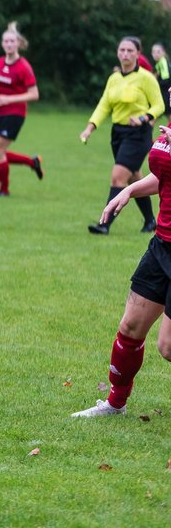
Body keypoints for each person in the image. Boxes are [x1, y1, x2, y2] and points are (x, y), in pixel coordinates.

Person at [72, 126, 171, 417]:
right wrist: (128, 190)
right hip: (162, 246)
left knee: (167, 346)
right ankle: (115, 404)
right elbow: (162, 177)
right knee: (130, 328)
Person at [80, 36, 165, 234]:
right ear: (117, 52)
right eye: (122, 50)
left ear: (138, 54)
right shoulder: (114, 78)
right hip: (117, 133)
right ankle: (150, 221)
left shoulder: (146, 78)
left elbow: (159, 105)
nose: (125, 54)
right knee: (134, 178)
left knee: (118, 176)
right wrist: (90, 127)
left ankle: (104, 224)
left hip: (138, 134)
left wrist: (144, 118)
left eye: (130, 50)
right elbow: (104, 105)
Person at [0, 22, 43, 196]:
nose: (8, 44)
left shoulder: (24, 67)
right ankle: (32, 162)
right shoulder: (0, 62)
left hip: (15, 114)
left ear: (18, 44)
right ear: (2, 44)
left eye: (12, 41)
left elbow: (34, 94)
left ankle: (4, 190)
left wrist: (9, 99)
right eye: (6, 41)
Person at [153, 43, 171, 117]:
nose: (156, 54)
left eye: (158, 52)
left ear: (163, 52)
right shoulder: (159, 63)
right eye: (154, 52)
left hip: (166, 92)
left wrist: (155, 85)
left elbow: (166, 79)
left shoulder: (163, 61)